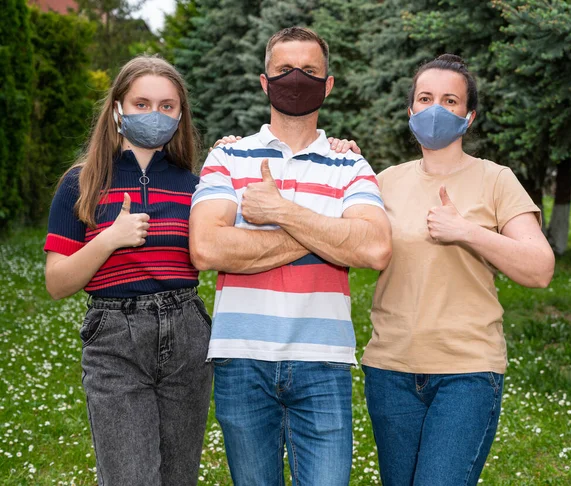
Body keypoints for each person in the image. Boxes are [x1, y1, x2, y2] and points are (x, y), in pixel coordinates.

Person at [189, 26, 392, 485]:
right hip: (242, 358)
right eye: (283, 70)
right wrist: (328, 230)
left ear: (328, 83)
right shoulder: (228, 158)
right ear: (264, 81)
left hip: (323, 362)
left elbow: (376, 248)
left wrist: (279, 211)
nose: (295, 78)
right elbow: (206, 247)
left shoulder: (351, 164)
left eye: (309, 70)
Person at [361, 54, 556, 486]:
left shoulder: (496, 179)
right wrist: (340, 155)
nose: (435, 109)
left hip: (466, 372)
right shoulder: (382, 181)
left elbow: (540, 269)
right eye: (425, 98)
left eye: (450, 101)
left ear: (469, 117)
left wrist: (466, 230)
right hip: (390, 370)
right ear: (411, 111)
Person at [44, 55, 213, 486]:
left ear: (180, 115)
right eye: (141, 104)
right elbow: (57, 282)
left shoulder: (196, 187)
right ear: (117, 108)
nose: (154, 115)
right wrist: (108, 238)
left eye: (167, 106)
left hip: (187, 337)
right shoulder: (80, 184)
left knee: (179, 477)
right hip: (115, 338)